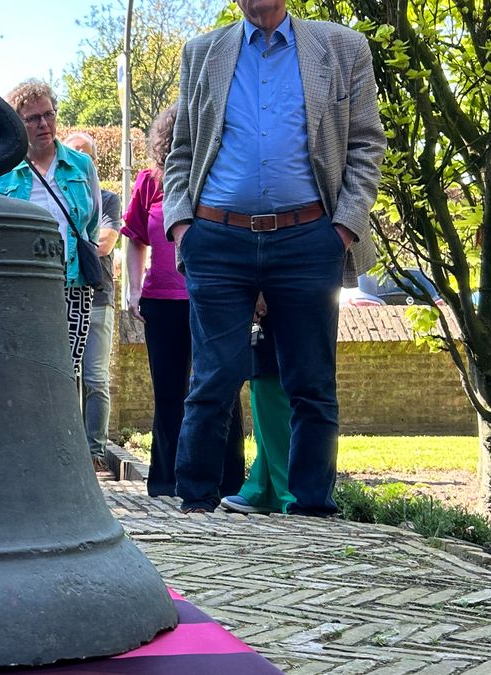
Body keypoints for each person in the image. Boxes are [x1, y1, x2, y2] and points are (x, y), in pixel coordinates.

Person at [163, 0, 385, 514]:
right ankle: (194, 513)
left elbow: (366, 143)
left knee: (311, 381)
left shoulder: (342, 46)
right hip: (216, 238)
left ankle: (311, 514)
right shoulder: (202, 51)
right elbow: (182, 149)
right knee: (212, 378)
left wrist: (343, 228)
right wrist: (182, 227)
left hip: (309, 237)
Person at [122, 106, 245, 499]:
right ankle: (165, 483)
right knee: (169, 392)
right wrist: (134, 288)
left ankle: (228, 483)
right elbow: (134, 237)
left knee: (220, 388)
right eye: (177, 141)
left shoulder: (221, 182)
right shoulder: (148, 184)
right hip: (162, 302)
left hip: (214, 298)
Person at [0, 80, 101, 376]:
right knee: (22, 370)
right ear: (17, 123)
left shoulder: (81, 165)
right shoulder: (0, 171)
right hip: (19, 285)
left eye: (49, 114)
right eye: (33, 118)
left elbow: (92, 223)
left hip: (72, 283)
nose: (44, 124)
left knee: (67, 372)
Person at [62, 132, 121, 467]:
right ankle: (68, 450)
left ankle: (95, 452)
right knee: (64, 375)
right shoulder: (54, 194)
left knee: (95, 378)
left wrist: (68, 240)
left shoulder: (108, 199)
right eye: (71, 154)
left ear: (92, 162)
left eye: (83, 154)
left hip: (97, 299)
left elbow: (105, 244)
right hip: (63, 296)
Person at [222, 295, 296, 514]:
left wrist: (260, 291)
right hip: (268, 301)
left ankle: (291, 491)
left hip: (285, 293)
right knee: (263, 383)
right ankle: (263, 488)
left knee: (276, 388)